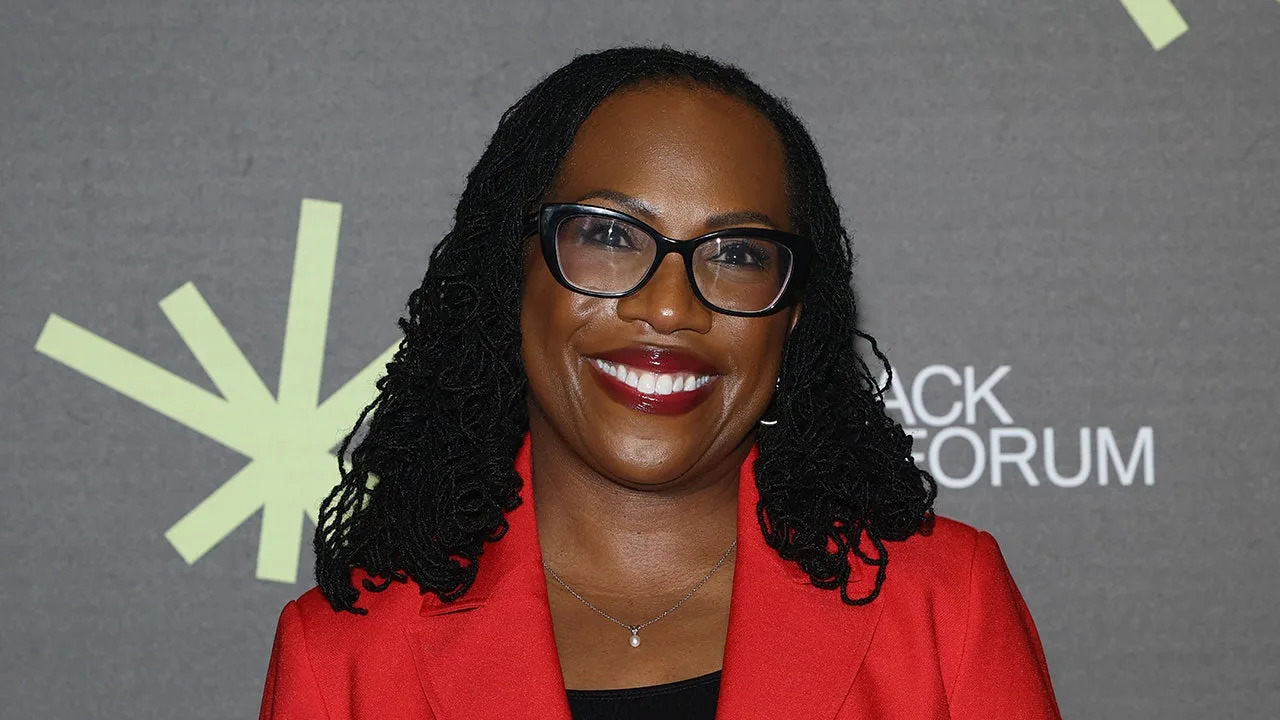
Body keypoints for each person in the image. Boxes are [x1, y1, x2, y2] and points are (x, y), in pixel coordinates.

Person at [258, 46, 1061, 719]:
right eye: (610, 236)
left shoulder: (945, 605)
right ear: (510, 272)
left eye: (738, 253)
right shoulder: (342, 658)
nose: (671, 307)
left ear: (794, 317)